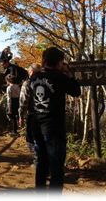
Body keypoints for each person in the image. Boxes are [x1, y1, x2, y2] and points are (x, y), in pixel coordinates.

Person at [29, 47, 80, 195]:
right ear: (59, 63)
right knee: (56, 169)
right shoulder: (60, 78)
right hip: (53, 130)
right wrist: (68, 73)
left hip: (37, 127)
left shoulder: (34, 77)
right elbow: (76, 91)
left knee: (42, 165)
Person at [19, 63, 41, 169]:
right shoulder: (48, 83)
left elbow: (23, 101)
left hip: (33, 115)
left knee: (30, 139)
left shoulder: (28, 83)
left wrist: (21, 116)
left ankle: (39, 161)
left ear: (31, 72)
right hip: (49, 116)